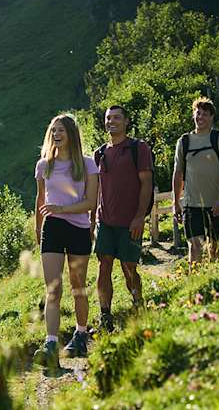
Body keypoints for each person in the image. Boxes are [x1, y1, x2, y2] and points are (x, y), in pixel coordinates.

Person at [32, 113, 99, 370]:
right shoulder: (43, 165)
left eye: (61, 130)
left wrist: (62, 209)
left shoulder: (88, 164)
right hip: (53, 228)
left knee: (77, 286)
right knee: (53, 289)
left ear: (71, 134)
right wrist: (39, 229)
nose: (56, 135)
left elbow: (91, 202)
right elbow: (40, 202)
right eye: (53, 131)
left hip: (79, 228)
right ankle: (50, 344)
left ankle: (81, 334)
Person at [93, 105, 153, 333]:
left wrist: (140, 217)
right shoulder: (99, 153)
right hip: (105, 222)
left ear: (127, 121)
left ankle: (138, 305)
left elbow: (146, 183)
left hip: (130, 222)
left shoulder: (139, 148)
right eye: (108, 118)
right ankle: (105, 316)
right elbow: (96, 190)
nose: (112, 121)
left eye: (117, 117)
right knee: (104, 265)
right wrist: (93, 222)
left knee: (129, 267)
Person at [172, 97, 219, 263]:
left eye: (205, 114)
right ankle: (194, 284)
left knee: (214, 247)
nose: (200, 117)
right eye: (198, 113)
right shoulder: (184, 141)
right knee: (194, 245)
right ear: (193, 115)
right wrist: (175, 203)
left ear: (212, 117)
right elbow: (178, 172)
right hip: (190, 204)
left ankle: (212, 282)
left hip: (215, 204)